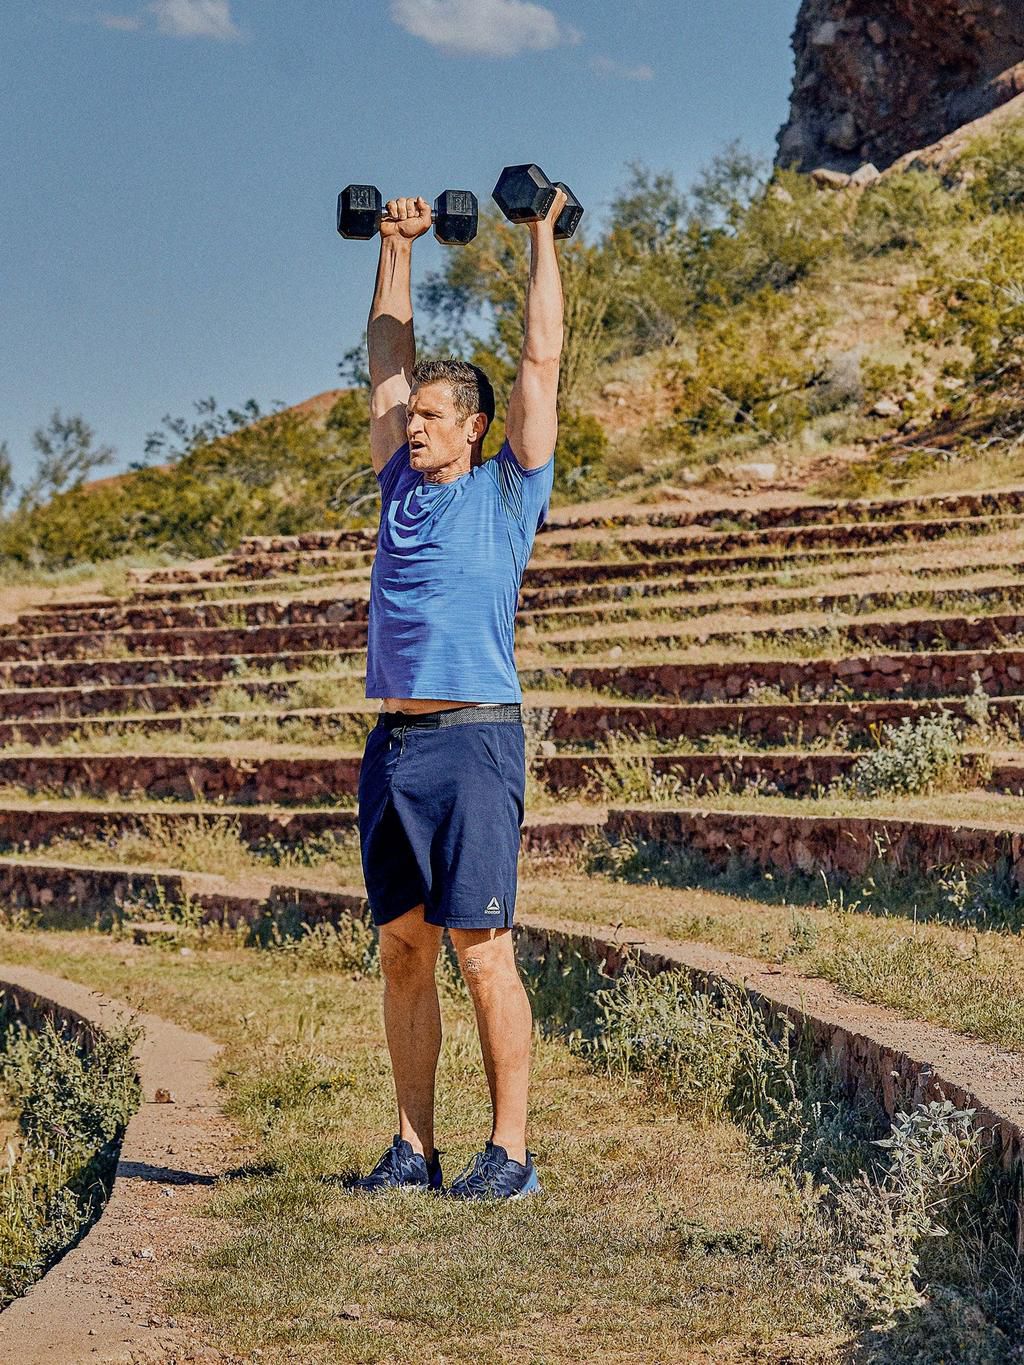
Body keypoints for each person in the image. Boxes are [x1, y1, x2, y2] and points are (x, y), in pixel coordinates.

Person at [350, 185, 567, 1200]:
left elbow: (538, 363)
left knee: (481, 949)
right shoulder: (398, 484)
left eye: (436, 418)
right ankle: (411, 1150)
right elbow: (387, 361)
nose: (417, 427)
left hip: (474, 740)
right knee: (403, 948)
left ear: (474, 429)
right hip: (392, 744)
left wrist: (537, 236)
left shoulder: (508, 487)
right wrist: (396, 247)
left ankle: (510, 1155)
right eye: (415, 417)